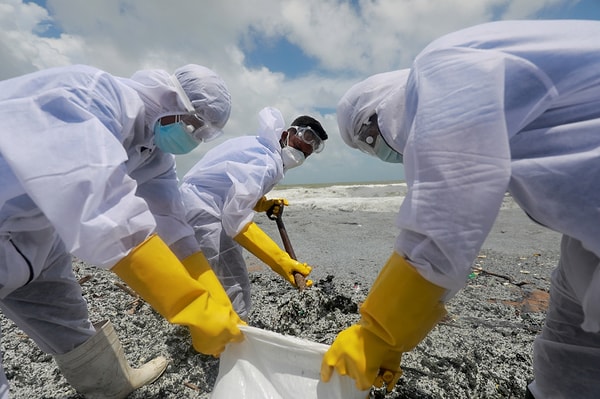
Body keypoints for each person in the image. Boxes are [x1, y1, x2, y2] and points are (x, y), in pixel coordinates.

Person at [320, 19, 600, 399]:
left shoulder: (442, 66)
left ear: (384, 107)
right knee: (568, 344)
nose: (383, 152)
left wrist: (378, 331)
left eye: (371, 138)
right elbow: (455, 235)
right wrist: (392, 337)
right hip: (587, 230)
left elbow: (446, 219)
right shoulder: (491, 109)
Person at [0, 63, 244, 398]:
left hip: (34, 234)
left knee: (63, 314)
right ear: (172, 98)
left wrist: (213, 293)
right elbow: (104, 209)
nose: (195, 138)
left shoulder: (152, 151)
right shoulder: (92, 96)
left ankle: (112, 385)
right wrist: (192, 305)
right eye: (195, 125)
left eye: (204, 134)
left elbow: (172, 222)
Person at [179, 107, 328, 320]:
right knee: (233, 280)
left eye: (309, 150)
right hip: (204, 210)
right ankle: (234, 336)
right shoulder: (267, 162)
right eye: (303, 140)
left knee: (210, 275)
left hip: (197, 204)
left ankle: (210, 326)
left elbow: (232, 187)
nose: (304, 150)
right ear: (286, 134)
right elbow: (236, 222)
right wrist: (281, 262)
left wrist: (263, 205)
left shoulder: (261, 147)